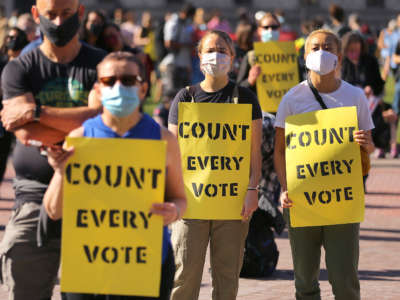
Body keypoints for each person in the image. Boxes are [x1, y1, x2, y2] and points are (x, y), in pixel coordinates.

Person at [43, 51, 186, 300]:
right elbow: (53, 211)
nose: (119, 86)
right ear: (98, 90)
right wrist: (60, 173)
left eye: (128, 80)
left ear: (143, 89)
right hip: (88, 263)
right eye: (110, 81)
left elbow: (181, 199)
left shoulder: (164, 139)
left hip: (145, 261)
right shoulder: (80, 138)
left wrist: (173, 211)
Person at [0, 0, 106, 299]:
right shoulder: (19, 67)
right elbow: (23, 132)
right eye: (51, 15)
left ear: (81, 12)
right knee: (24, 281)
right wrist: (88, 118)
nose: (59, 23)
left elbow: (110, 122)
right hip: (34, 194)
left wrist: (36, 112)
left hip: (96, 194)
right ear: (36, 15)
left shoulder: (104, 65)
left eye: (67, 14)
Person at [274, 29, 374, 300]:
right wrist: (285, 187)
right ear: (305, 55)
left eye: (327, 47)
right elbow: (280, 151)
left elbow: (370, 147)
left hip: (342, 201)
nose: (321, 52)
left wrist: (365, 143)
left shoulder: (355, 97)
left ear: (338, 57)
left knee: (344, 279)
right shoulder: (292, 98)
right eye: (315, 47)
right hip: (302, 200)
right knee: (305, 280)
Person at [168, 30, 262, 300]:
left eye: (222, 50)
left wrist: (252, 188)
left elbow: (254, 151)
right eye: (210, 50)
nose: (216, 55)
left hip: (232, 204)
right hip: (191, 202)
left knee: (227, 277)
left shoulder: (246, 99)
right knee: (183, 277)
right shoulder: (185, 98)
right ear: (199, 57)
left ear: (232, 58)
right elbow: (172, 153)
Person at [0, 27, 29, 185]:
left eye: (16, 37)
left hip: (22, 115)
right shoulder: (1, 62)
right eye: (9, 37)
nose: (12, 41)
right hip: (3, 114)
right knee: (2, 152)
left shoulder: (27, 62)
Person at [236, 12, 281, 94]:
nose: (270, 30)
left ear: (279, 29)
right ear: (259, 31)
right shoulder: (251, 56)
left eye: (274, 27)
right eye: (266, 27)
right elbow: (238, 89)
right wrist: (250, 80)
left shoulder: (290, 56)